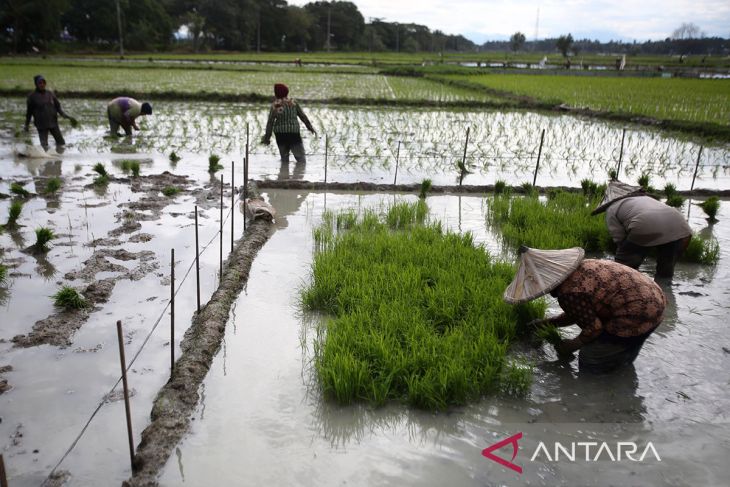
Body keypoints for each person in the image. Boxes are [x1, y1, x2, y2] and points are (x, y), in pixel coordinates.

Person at [504, 246, 666, 373]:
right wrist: (546, 323)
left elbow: (593, 328)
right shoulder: (584, 266)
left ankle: (599, 390)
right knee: (625, 350)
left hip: (638, 313)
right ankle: (621, 364)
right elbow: (579, 313)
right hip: (654, 298)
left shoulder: (569, 293)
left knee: (591, 358)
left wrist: (570, 345)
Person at [592, 180, 692, 279]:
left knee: (623, 271)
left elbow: (619, 237)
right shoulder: (646, 198)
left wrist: (624, 254)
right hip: (681, 227)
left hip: (645, 224)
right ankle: (666, 292)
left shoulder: (612, 208)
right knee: (665, 271)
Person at [260, 83, 317, 164]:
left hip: (280, 134)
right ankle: (298, 175)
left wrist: (267, 137)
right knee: (301, 160)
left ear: (276, 93)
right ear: (287, 92)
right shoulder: (293, 103)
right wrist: (310, 127)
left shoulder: (275, 105)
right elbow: (303, 116)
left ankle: (284, 175)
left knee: (284, 159)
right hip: (293, 133)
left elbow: (270, 122)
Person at [24, 75, 76, 151]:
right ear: (36, 84)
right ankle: (44, 159)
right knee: (44, 146)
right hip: (41, 124)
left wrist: (64, 115)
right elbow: (29, 113)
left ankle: (58, 158)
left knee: (61, 143)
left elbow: (58, 106)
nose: (42, 84)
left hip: (53, 122)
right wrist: (26, 125)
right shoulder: (32, 97)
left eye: (43, 83)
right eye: (40, 83)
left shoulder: (50, 94)